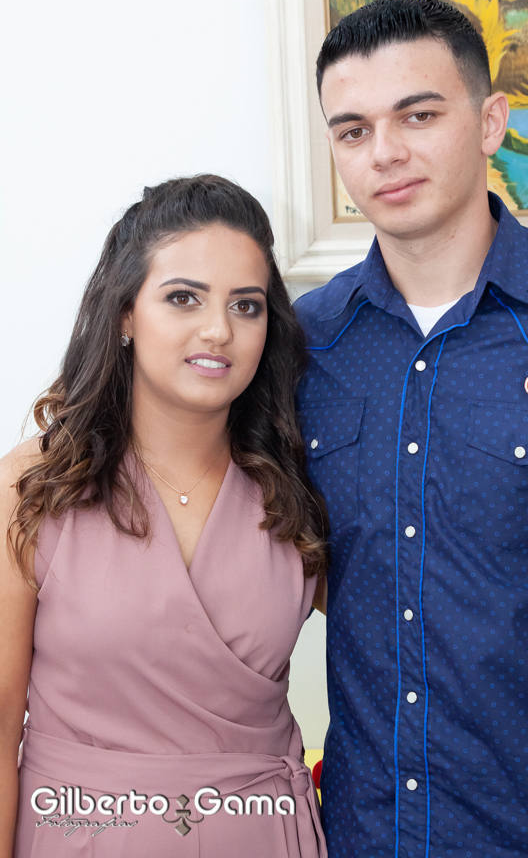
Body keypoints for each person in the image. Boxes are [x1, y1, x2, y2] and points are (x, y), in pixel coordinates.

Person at [296, 0, 528, 857]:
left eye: (418, 115)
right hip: (369, 833)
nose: (385, 152)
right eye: (353, 130)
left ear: (491, 122)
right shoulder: (304, 347)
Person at [0, 175, 328, 858]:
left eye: (246, 305)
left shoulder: (299, 486)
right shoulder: (33, 486)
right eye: (184, 298)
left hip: (262, 836)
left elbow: (408, 642)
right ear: (125, 313)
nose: (219, 330)